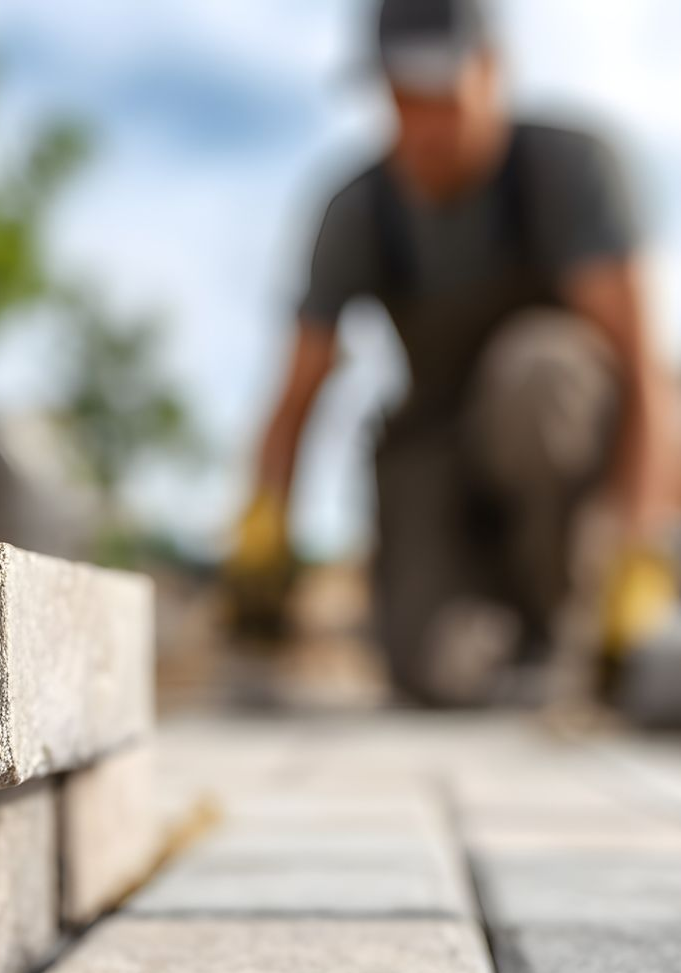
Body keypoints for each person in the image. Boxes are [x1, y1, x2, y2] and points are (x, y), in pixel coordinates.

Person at [230, 0, 678, 707]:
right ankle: (494, 641)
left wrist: (639, 552)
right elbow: (296, 399)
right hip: (442, 453)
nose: (425, 125)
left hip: (572, 464)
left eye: (443, 96)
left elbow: (646, 379)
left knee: (540, 375)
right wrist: (261, 540)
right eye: (404, 100)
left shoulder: (570, 169)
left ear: (492, 70)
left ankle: (581, 626)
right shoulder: (359, 209)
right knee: (428, 669)